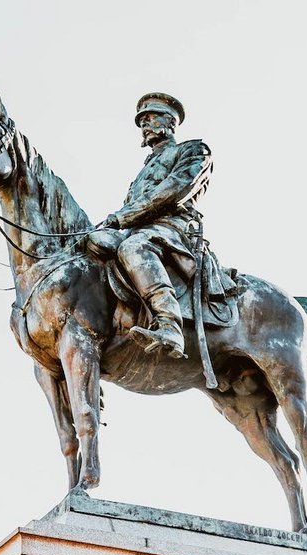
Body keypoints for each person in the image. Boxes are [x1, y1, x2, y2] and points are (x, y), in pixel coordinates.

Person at [85, 92, 214, 361]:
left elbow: (174, 190)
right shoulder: (144, 168)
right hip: (137, 228)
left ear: (170, 122)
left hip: (171, 229)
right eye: (142, 120)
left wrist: (124, 216)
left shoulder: (192, 151)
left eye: (151, 118)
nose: (145, 124)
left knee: (135, 248)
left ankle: (170, 325)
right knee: (92, 243)